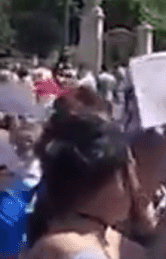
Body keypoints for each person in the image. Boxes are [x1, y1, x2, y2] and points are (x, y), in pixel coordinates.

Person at [23, 110, 148, 259]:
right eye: (127, 171)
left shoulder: (106, 238)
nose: (135, 184)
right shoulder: (68, 247)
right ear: (106, 182)